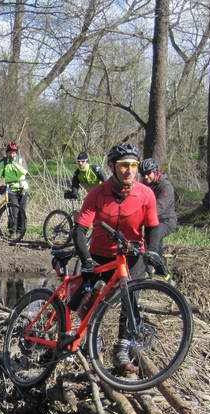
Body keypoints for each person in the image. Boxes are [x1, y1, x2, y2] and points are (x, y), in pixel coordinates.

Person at [70, 143, 162, 372]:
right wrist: (86, 260)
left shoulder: (146, 194)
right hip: (101, 255)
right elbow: (80, 230)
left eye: (133, 165)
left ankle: (121, 349)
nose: (129, 170)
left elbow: (153, 227)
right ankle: (91, 336)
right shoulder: (97, 193)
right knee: (88, 300)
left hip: (132, 256)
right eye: (123, 166)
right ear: (112, 167)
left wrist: (152, 252)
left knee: (130, 301)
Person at [139, 158, 177, 263]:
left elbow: (158, 208)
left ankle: (151, 264)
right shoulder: (143, 184)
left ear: (155, 171)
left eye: (148, 173)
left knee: (154, 235)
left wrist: (139, 217)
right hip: (150, 222)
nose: (145, 177)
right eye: (143, 174)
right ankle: (161, 269)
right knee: (150, 242)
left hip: (166, 221)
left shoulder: (165, 186)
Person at [0, 141, 29, 239]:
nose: (12, 154)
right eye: (10, 152)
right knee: (13, 211)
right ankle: (12, 232)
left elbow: (24, 172)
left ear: (17, 152)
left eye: (14, 152)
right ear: (7, 152)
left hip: (23, 188)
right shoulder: (3, 162)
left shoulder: (21, 160)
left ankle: (21, 232)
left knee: (22, 211)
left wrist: (14, 163)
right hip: (11, 190)